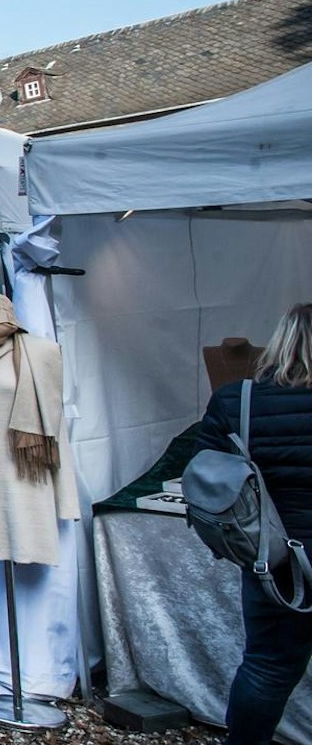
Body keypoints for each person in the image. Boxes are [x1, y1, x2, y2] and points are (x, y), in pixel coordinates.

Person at [195, 302, 312, 744]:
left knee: (267, 666)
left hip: (276, 557)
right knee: (267, 667)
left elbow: (207, 477)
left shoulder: (237, 400)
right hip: (277, 558)